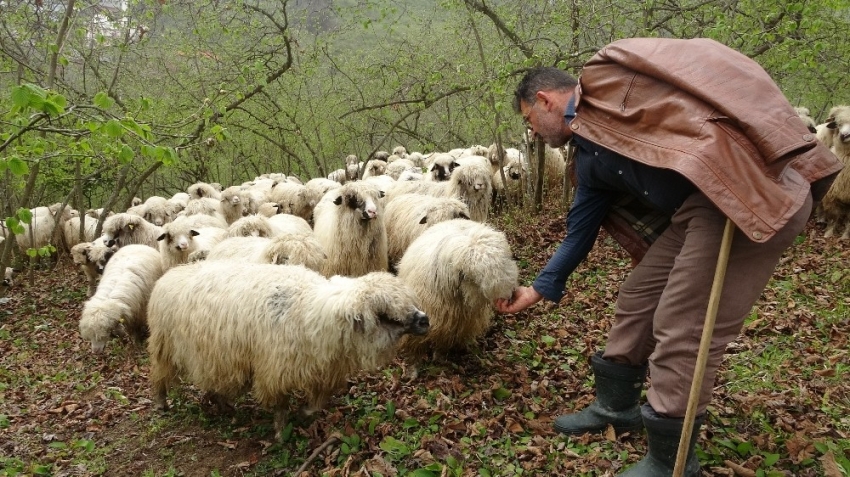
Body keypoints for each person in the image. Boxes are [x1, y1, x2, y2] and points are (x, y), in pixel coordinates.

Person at [496, 38, 841, 477]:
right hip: (699, 209)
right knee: (638, 296)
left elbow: (705, 65)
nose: (534, 134)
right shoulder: (588, 159)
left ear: (544, 100)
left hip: (748, 193)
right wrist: (539, 289)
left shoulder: (616, 87)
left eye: (531, 121)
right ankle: (616, 407)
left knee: (685, 323)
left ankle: (669, 457)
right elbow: (578, 231)